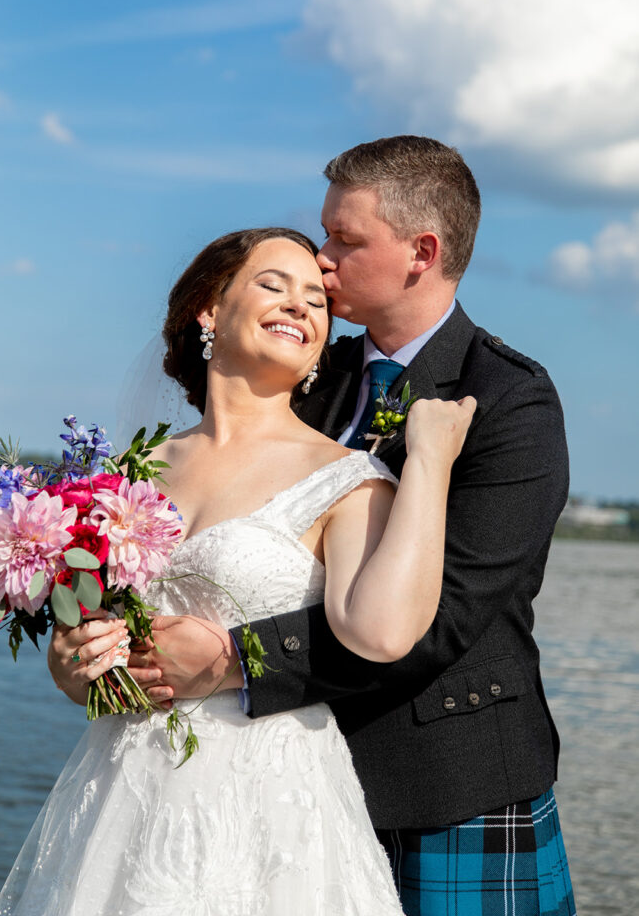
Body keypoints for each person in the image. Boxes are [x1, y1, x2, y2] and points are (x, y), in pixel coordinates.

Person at [122, 137, 577, 915]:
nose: (322, 261)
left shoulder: (507, 401)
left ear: (420, 252)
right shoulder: (306, 374)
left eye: (345, 239)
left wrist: (234, 658)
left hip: (444, 786)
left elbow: (444, 615)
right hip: (286, 780)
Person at [0, 226, 475, 916]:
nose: (301, 306)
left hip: (266, 807)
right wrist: (73, 665)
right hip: (116, 791)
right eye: (273, 285)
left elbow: (383, 633)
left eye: (316, 299)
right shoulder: (128, 474)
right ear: (209, 310)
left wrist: (427, 460)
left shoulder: (344, 479)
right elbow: (89, 632)